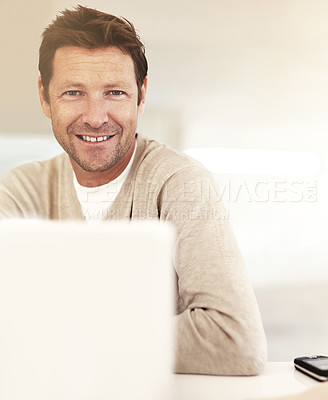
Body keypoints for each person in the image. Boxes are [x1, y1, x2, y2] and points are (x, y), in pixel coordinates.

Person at [0, 5, 267, 375]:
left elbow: (235, 341)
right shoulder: (19, 191)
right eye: (74, 92)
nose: (95, 116)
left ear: (141, 95)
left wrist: (60, 335)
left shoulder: (181, 184)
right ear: (45, 97)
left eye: (115, 93)